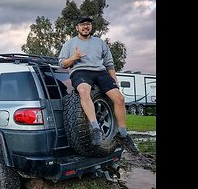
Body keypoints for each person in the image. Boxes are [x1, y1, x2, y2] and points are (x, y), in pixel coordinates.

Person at [58, 16, 139, 154]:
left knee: (119, 98)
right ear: (77, 27)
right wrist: (74, 58)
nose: (85, 26)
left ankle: (123, 134)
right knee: (84, 91)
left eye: (88, 24)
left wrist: (115, 82)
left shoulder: (100, 43)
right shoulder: (70, 44)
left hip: (100, 72)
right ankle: (95, 128)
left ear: (91, 27)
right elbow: (62, 63)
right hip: (80, 71)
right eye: (82, 24)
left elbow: (109, 64)